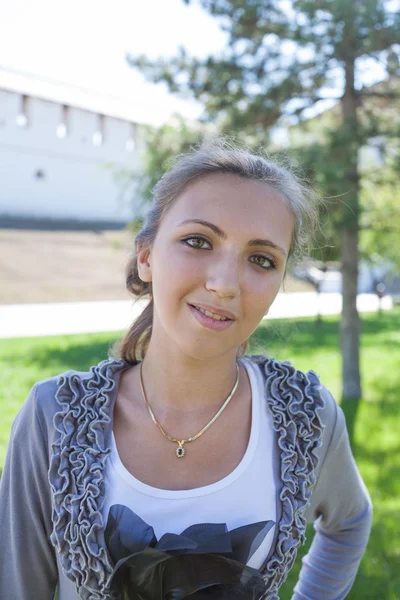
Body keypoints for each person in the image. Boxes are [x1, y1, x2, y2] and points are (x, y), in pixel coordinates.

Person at [0, 141, 372, 600]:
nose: (224, 284)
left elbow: (350, 521)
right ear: (146, 256)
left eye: (261, 259)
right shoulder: (53, 418)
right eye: (198, 241)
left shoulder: (304, 415)